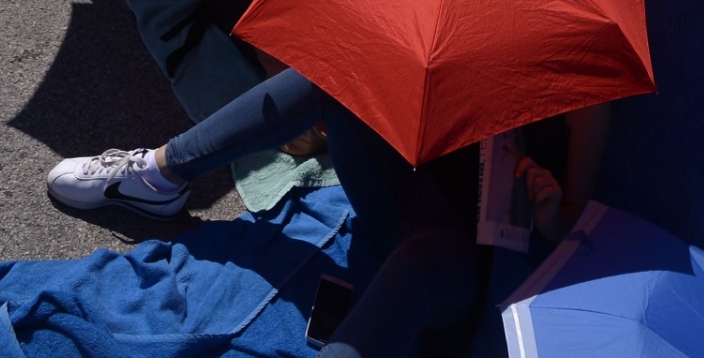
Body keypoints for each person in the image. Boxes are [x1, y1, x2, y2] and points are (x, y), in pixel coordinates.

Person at [47, 69, 611, 356]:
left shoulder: (583, 84)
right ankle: (157, 176)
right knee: (339, 73)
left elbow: (571, 227)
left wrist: (548, 214)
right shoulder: (462, 29)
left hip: (463, 263)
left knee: (421, 263)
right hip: (401, 199)